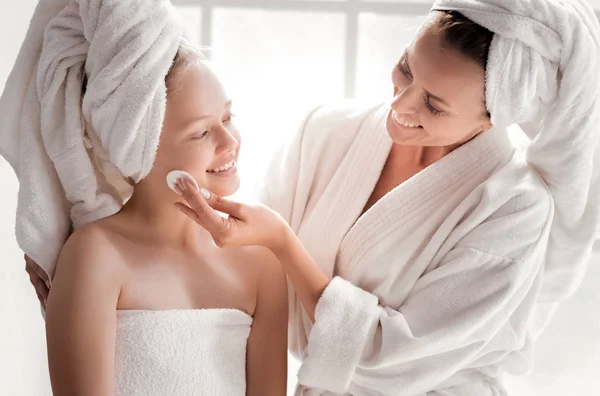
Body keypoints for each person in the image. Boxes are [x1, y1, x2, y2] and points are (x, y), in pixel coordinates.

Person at [26, 0, 600, 395]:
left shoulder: (516, 207)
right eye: (406, 70)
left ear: (495, 116)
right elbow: (226, 236)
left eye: (435, 107)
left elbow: (391, 355)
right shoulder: (330, 131)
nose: (402, 106)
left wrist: (280, 242)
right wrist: (86, 298)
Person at [44, 40, 288, 396]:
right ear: (137, 150)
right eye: (201, 132)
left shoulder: (262, 262)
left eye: (227, 118)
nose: (229, 141)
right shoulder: (96, 255)